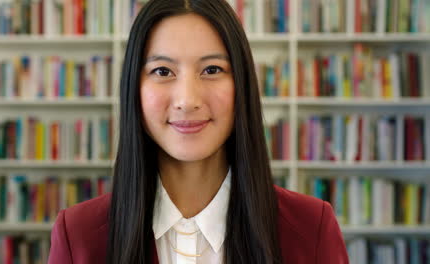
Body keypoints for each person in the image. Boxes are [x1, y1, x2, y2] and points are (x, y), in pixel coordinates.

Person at [48, 0, 349, 263]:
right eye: (162, 72)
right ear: (134, 90)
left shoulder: (312, 229)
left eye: (212, 69)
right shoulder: (78, 234)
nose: (187, 101)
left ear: (241, 85)